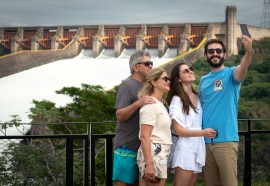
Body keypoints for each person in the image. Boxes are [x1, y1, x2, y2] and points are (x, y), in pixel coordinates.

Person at [199, 36, 253, 186]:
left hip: (225, 141)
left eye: (218, 51)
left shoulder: (230, 74)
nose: (214, 53)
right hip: (205, 142)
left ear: (224, 54)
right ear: (206, 55)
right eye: (211, 51)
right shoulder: (203, 80)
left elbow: (242, 69)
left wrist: (248, 53)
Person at [166, 63, 216, 186]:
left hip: (198, 148)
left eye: (191, 69)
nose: (190, 72)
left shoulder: (197, 97)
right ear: (178, 78)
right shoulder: (177, 100)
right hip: (185, 149)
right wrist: (203, 133)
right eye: (186, 71)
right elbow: (178, 130)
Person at [112, 50, 156, 186]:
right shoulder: (127, 85)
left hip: (143, 147)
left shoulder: (148, 86)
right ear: (135, 67)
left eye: (151, 63)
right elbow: (119, 115)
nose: (150, 66)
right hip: (127, 146)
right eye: (147, 63)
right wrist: (139, 102)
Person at [136, 68, 172, 186]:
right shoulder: (151, 105)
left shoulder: (159, 103)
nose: (168, 81)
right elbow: (144, 136)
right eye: (165, 79)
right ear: (153, 82)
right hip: (154, 154)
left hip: (159, 154)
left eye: (169, 79)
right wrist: (149, 164)